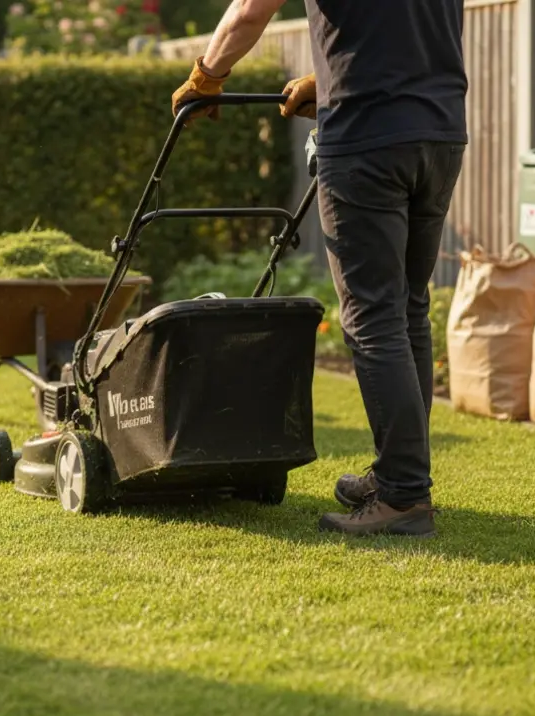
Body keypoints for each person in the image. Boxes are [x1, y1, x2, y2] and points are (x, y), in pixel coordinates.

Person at [171, 0, 467, 537]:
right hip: (440, 133)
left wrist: (207, 74)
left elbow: (247, 12)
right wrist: (330, 78)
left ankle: (403, 496)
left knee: (374, 318)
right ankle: (398, 475)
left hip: (368, 139)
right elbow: (406, 32)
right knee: (407, 309)